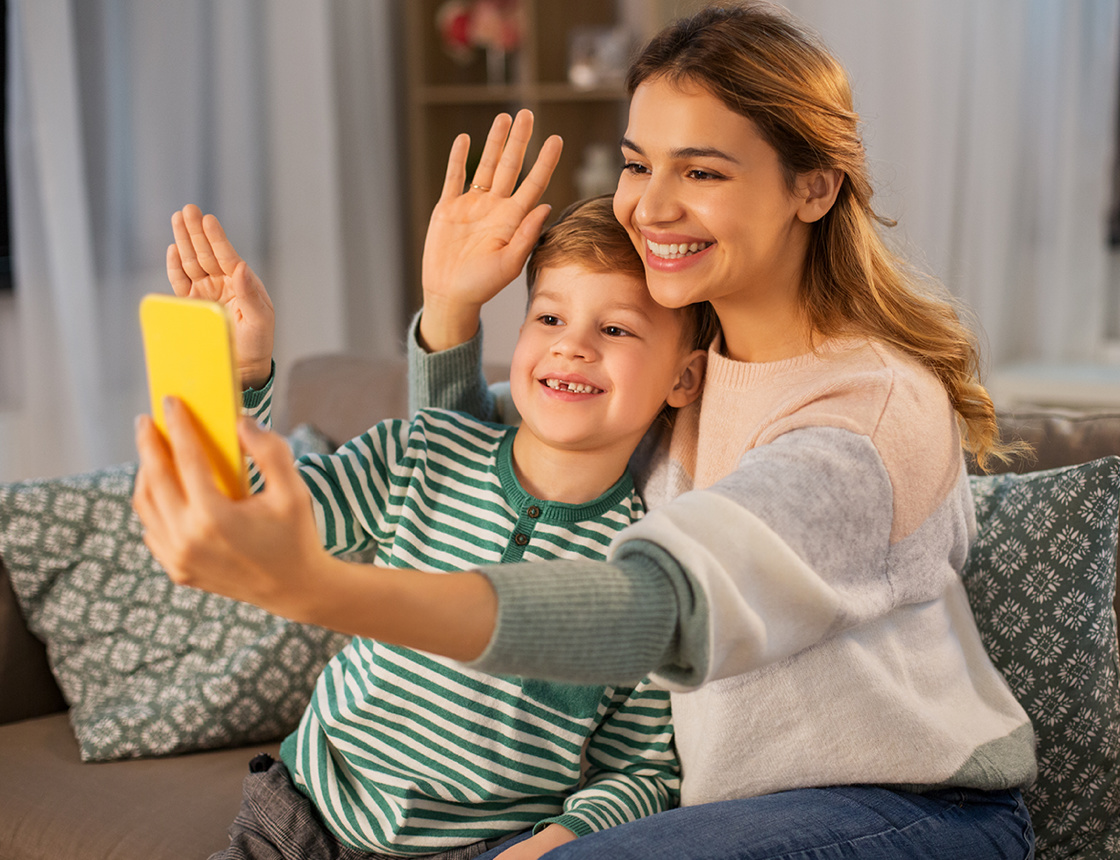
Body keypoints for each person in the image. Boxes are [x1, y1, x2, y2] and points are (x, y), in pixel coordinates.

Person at [136, 3, 1038, 858]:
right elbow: (461, 460)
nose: (648, 205)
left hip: (906, 809)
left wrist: (318, 588)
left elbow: (655, 609)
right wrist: (448, 309)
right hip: (730, 811)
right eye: (639, 163)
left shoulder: (866, 414)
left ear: (813, 186)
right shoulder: (672, 379)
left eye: (705, 171)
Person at [143, 184, 713, 860]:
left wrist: (549, 847)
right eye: (550, 319)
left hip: (474, 848)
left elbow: (641, 771)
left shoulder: (640, 571)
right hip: (301, 818)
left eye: (615, 329)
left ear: (685, 378)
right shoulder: (420, 450)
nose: (573, 348)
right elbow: (259, 513)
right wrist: (240, 372)